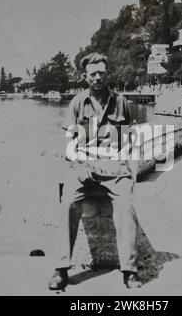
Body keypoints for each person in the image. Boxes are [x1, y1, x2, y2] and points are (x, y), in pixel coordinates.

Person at [48, 53, 142, 291]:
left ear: (107, 74)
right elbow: (68, 143)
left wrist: (132, 174)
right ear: (85, 77)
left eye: (102, 73)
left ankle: (129, 272)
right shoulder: (77, 104)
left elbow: (130, 142)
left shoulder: (122, 103)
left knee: (126, 207)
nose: (98, 77)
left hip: (114, 171)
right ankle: (61, 270)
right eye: (93, 74)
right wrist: (78, 166)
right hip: (84, 169)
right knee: (68, 203)